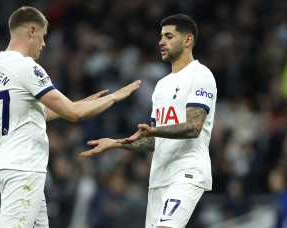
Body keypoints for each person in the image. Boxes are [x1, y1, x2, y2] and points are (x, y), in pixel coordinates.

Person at [0, 6, 141, 228]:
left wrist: (80, 103)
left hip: (7, 162)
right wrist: (114, 97)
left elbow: (35, 115)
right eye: (43, 36)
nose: (44, 44)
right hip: (23, 167)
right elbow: (74, 115)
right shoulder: (27, 67)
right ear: (32, 31)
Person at [81, 14, 217, 228]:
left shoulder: (200, 75)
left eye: (169, 36)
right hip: (158, 178)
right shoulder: (161, 85)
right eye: (161, 36)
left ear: (188, 40)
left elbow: (194, 127)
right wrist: (116, 143)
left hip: (187, 171)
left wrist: (154, 131)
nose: (161, 42)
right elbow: (154, 141)